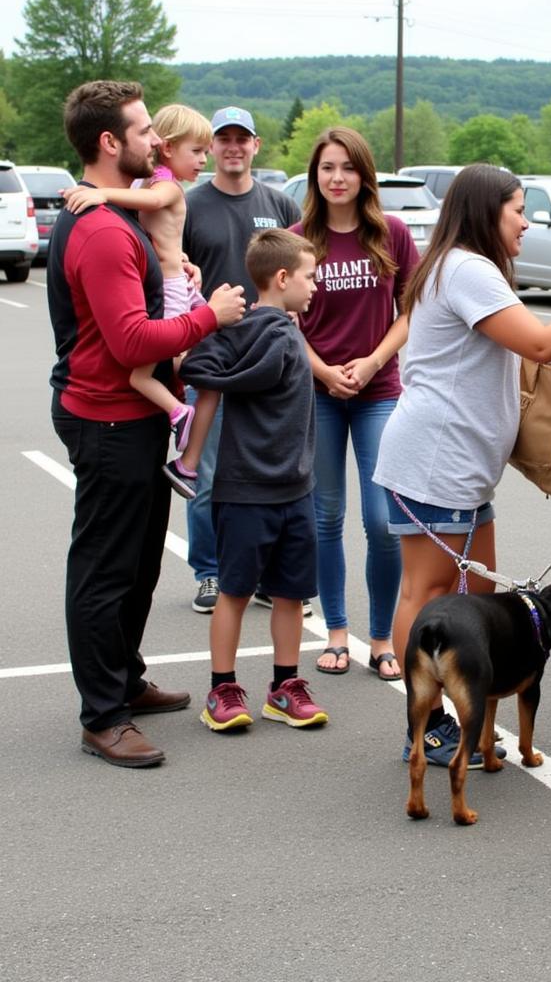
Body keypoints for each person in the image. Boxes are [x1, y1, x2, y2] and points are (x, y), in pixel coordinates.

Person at [373, 164, 551, 768]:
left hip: (461, 468)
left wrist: (534, 365)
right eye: (518, 209)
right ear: (485, 212)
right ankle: (426, 725)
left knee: (475, 598)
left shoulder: (458, 266)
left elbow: (504, 345)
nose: (526, 222)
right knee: (428, 597)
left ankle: (466, 715)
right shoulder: (467, 267)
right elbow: (543, 340)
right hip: (436, 464)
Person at [48, 80, 245, 767]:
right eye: (143, 131)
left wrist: (177, 271)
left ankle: (124, 684)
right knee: (105, 572)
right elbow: (133, 343)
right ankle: (102, 717)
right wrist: (206, 316)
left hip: (131, 417)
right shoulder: (101, 229)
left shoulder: (119, 218)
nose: (156, 142)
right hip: (106, 421)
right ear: (110, 143)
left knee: (135, 568)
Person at [180, 229, 326, 731]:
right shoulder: (267, 332)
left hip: (295, 490)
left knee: (291, 594)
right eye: (309, 276)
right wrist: (243, 357)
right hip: (245, 492)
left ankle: (285, 687)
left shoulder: (276, 329)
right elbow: (203, 367)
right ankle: (222, 689)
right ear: (282, 278)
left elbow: (203, 364)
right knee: (236, 591)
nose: (315, 286)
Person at [290, 127, 414, 680]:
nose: (336, 178)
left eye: (347, 167)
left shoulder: (392, 234)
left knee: (384, 521)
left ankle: (381, 637)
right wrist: (324, 371)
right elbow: (284, 319)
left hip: (378, 391)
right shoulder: (298, 239)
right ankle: (336, 631)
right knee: (325, 516)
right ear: (315, 176)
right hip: (316, 393)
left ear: (364, 174)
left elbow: (410, 310)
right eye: (326, 168)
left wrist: (370, 363)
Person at [61, 103, 217, 499]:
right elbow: (147, 222)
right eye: (196, 151)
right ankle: (184, 426)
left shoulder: (162, 188)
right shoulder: (151, 186)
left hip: (173, 287)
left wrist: (99, 195)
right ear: (168, 148)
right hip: (169, 290)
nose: (203, 160)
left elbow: (150, 209)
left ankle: (189, 444)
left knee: (187, 368)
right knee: (162, 368)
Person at [182, 105, 302, 613]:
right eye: (223, 138)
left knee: (265, 473)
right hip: (213, 356)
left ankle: (259, 576)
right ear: (211, 147)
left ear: (256, 146)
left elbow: (300, 273)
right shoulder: (189, 205)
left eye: (242, 138)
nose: (233, 146)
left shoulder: (278, 204)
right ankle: (210, 572)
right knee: (208, 474)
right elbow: (171, 274)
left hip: (270, 363)